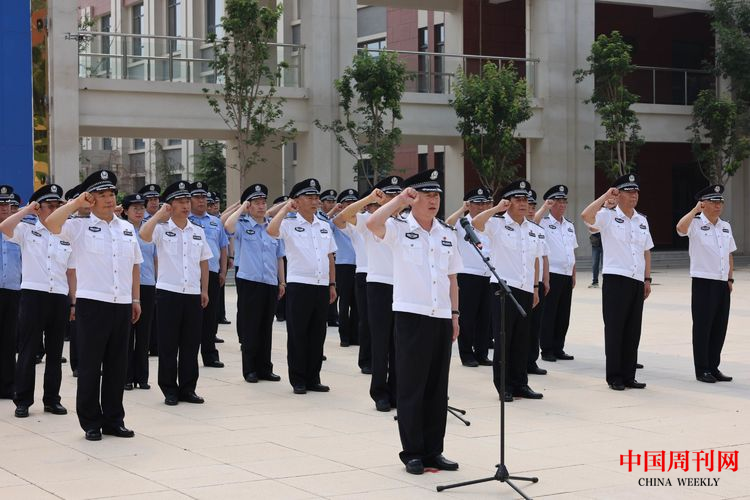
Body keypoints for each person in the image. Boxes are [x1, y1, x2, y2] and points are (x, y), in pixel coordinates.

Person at [366, 169, 461, 476]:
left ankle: (434, 450)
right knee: (411, 387)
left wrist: (455, 315)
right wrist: (398, 202)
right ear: (413, 198)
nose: (434, 201)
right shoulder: (397, 227)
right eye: (427, 195)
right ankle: (413, 453)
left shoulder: (447, 233)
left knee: (437, 388)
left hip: (441, 316)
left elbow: (452, 278)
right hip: (411, 315)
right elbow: (372, 224)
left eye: (437, 196)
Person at [46, 170, 143, 441]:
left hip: (121, 303)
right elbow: (51, 224)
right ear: (91, 198)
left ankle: (114, 420)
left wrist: (135, 299)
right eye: (102, 194)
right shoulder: (79, 227)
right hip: (92, 304)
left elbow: (135, 265)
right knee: (90, 366)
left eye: (111, 193)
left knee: (117, 366)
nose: (109, 199)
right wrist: (76, 203)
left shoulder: (126, 228)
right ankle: (90, 422)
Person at [0, 184, 73, 418]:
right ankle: (23, 400)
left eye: (57, 205)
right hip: (33, 295)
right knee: (28, 350)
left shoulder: (66, 234)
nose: (54, 209)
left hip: (59, 296)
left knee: (55, 351)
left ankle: (52, 399)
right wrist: (26, 210)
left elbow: (71, 271)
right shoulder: (26, 230)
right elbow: (4, 227)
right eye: (49, 206)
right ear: (38, 208)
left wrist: (73, 302)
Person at [140, 181, 212, 406]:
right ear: (169, 205)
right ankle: (169, 389)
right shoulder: (161, 229)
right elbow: (143, 235)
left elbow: (204, 262)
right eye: (180, 201)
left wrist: (204, 290)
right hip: (168, 293)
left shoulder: (198, 231)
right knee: (168, 344)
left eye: (187, 201)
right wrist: (158, 215)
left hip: (192, 293)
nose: (186, 205)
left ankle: (188, 389)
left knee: (191, 344)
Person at [473, 180, 543, 402]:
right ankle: (504, 386)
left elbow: (534, 261)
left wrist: (535, 288)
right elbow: (475, 223)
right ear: (508, 202)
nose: (523, 204)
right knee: (504, 340)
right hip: (503, 288)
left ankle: (520, 383)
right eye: (517, 199)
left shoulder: (534, 230)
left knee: (522, 340)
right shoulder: (497, 223)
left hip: (525, 288)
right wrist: (496, 208)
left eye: (525, 200)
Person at [581, 173, 653, 391]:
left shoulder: (642, 220)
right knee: (615, 329)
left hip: (636, 280)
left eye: (636, 192)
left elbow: (646, 251)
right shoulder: (608, 216)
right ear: (618, 194)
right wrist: (605, 197)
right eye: (629, 192)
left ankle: (629, 375)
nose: (634, 196)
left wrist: (647, 278)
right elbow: (586, 216)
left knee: (633, 330)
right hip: (616, 279)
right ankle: (614, 376)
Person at [267, 179, 337, 394]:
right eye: (309, 197)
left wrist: (332, 284)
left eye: (316, 197)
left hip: (321, 285)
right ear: (297, 201)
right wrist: (285, 208)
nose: (315, 201)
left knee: (318, 334)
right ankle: (298, 379)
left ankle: (313, 378)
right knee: (298, 334)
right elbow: (270, 229)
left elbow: (330, 257)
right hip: (299, 285)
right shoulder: (289, 223)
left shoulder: (324, 225)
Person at [224, 184, 285, 384]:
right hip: (249, 282)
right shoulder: (243, 225)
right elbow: (228, 226)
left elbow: (279, 257)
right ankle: (250, 369)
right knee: (251, 326)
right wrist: (242, 207)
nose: (261, 206)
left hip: (270, 282)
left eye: (263, 202)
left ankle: (265, 368)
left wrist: (282, 281)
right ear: (249, 206)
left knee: (266, 327)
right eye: (256, 203)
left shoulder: (272, 226)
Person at [676, 184, 735, 384]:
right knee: (703, 327)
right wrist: (695, 210)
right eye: (713, 202)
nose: (718, 206)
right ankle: (702, 369)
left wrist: (730, 278)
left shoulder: (725, 226)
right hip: (703, 281)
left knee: (719, 326)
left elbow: (729, 253)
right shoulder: (695, 223)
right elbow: (680, 228)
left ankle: (713, 366)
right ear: (704, 204)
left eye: (720, 202)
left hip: (722, 283)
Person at [358, 177, 403, 411]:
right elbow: (340, 219)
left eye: (397, 195)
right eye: (389, 195)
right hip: (379, 285)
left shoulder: (407, 222)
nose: (394, 199)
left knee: (399, 343)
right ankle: (379, 392)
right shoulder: (369, 220)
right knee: (380, 341)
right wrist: (368, 199)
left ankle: (396, 390)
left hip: (403, 287)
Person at [445, 187, 494, 367]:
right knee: (467, 317)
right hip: (467, 275)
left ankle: (482, 353)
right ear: (469, 204)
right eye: (477, 203)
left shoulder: (490, 223)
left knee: (484, 317)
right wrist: (462, 209)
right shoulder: (461, 222)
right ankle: (466, 354)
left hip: (488, 275)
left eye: (484, 203)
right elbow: (447, 223)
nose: (481, 207)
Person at [535, 185, 577, 363]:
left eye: (564, 201)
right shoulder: (543, 222)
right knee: (549, 313)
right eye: (558, 201)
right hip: (552, 274)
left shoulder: (569, 225)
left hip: (566, 274)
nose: (562, 205)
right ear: (551, 204)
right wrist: (544, 207)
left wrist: (573, 274)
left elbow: (572, 250)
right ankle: (547, 349)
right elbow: (533, 221)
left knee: (563, 314)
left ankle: (559, 347)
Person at [188, 181, 228, 368]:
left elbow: (223, 247)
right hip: (190, 274)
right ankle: (189, 355)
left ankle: (210, 354)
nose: (201, 201)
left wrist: (223, 270)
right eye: (197, 197)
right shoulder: (185, 220)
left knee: (210, 316)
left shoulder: (215, 222)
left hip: (211, 273)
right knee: (191, 317)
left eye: (204, 197)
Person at [121, 194, 157, 391]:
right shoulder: (120, 229)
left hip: (148, 284)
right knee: (127, 334)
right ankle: (126, 376)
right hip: (126, 285)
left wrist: (157, 281)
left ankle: (142, 377)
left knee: (144, 332)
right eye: (134, 208)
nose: (139, 211)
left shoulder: (151, 229)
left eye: (141, 207)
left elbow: (156, 258)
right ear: (125, 211)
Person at [525, 190, 550, 376]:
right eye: (529, 205)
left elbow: (543, 257)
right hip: (521, 283)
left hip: (537, 282)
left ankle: (531, 361)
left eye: (534, 206)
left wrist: (545, 279)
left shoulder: (539, 231)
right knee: (521, 326)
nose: (531, 209)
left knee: (535, 325)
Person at [329, 189, 359, 348]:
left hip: (359, 265)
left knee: (357, 303)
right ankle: (344, 336)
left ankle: (355, 335)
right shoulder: (335, 221)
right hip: (343, 265)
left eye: (353, 202)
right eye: (347, 203)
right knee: (345, 301)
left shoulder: (361, 220)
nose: (351, 205)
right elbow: (324, 224)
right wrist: (335, 210)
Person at [0, 185, 22, 399]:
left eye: (7, 204)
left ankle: (8, 385)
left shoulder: (18, 231)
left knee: (9, 340)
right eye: (1, 204)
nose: (5, 207)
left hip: (13, 291)